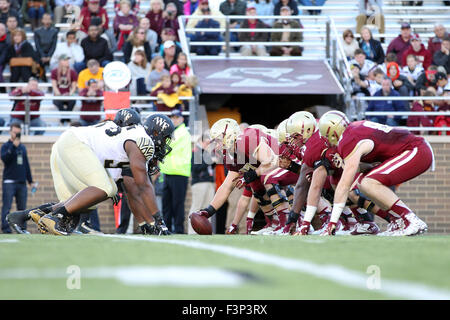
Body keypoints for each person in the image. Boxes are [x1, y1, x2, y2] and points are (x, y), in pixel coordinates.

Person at [28, 114, 174, 236]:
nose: (165, 144)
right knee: (106, 188)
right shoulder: (144, 141)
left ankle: (39, 214)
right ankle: (57, 216)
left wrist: (146, 224)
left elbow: (133, 192)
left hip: (72, 143)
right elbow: (143, 186)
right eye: (165, 138)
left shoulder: (133, 136)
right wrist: (159, 221)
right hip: (75, 144)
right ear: (156, 133)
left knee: (104, 190)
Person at [318, 110, 433, 236]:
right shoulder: (354, 129)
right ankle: (398, 220)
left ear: (333, 132)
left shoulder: (349, 139)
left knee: (368, 183)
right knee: (362, 183)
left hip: (416, 149)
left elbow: (344, 185)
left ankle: (410, 219)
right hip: (410, 149)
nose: (327, 140)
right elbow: (366, 164)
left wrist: (332, 222)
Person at [189, 119, 282, 234]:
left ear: (228, 136)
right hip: (273, 170)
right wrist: (208, 211)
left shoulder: (246, 139)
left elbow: (272, 162)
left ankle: (290, 220)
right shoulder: (230, 155)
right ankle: (274, 222)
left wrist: (253, 174)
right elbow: (227, 186)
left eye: (218, 141)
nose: (216, 146)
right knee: (257, 187)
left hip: (288, 165)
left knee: (266, 179)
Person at [159, 109, 191, 234]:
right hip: (168, 172)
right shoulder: (173, 132)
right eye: (172, 117)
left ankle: (179, 230)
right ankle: (166, 229)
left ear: (182, 119)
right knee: (166, 205)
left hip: (179, 173)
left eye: (176, 117)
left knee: (177, 204)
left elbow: (168, 148)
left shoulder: (182, 132)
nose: (174, 120)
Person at [1, 123, 36, 233]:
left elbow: (26, 165)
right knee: (7, 207)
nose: (16, 135)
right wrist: (13, 146)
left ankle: (22, 229)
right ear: (10, 132)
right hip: (9, 182)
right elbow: (5, 159)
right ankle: (6, 229)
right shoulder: (6, 146)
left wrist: (30, 181)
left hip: (22, 183)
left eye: (18, 133)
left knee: (22, 209)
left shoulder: (22, 147)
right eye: (14, 132)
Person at [188, 130, 215, 234]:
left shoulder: (205, 152)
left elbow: (207, 167)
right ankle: (191, 231)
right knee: (196, 207)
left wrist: (213, 163)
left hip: (208, 181)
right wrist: (210, 161)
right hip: (200, 182)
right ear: (201, 141)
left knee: (207, 209)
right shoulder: (196, 151)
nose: (208, 145)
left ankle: (205, 230)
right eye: (207, 142)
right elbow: (195, 168)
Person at [51, 54, 78, 125]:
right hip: (58, 94)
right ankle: (66, 119)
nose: (67, 61)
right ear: (60, 61)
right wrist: (59, 94)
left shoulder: (72, 72)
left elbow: (74, 86)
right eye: (65, 60)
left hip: (68, 94)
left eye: (67, 60)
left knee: (72, 101)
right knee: (57, 101)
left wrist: (70, 94)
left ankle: (63, 119)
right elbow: (54, 85)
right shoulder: (54, 71)